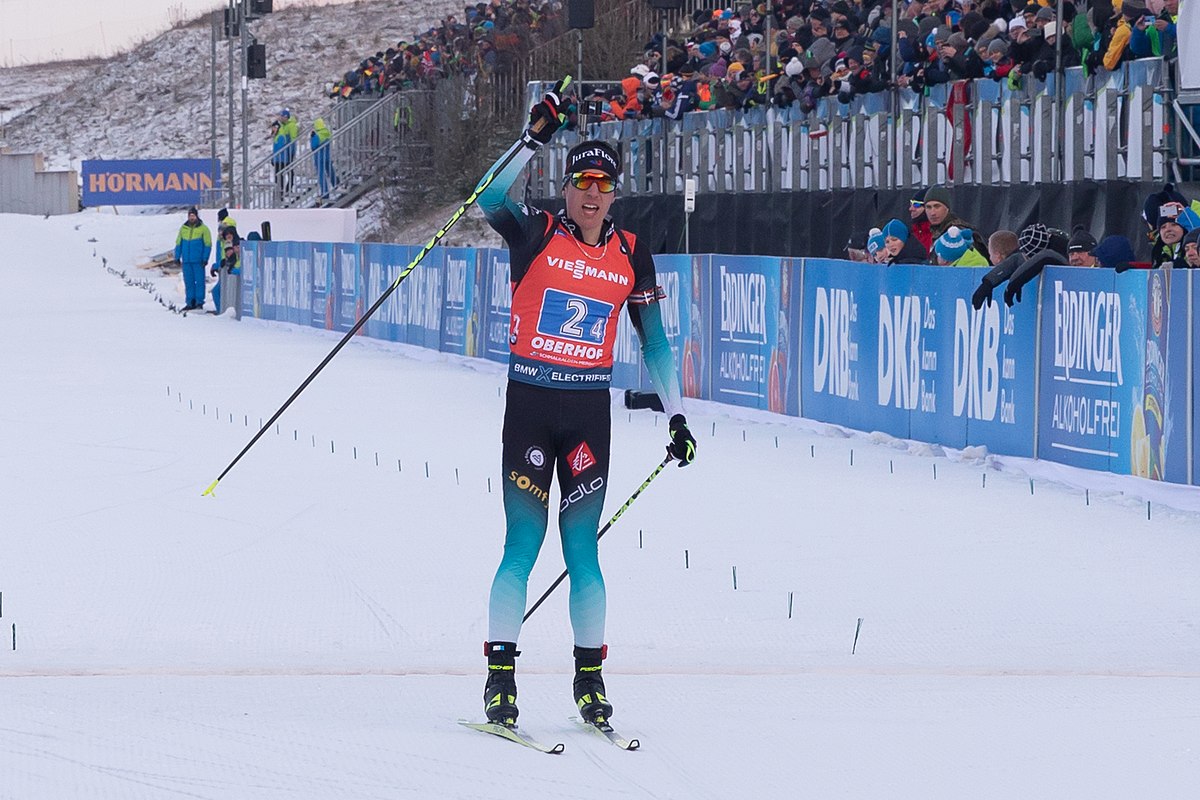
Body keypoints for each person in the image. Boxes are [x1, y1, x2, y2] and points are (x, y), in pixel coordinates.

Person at [475, 80, 697, 729]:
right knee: (522, 543)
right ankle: (499, 679)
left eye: (604, 184)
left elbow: (655, 340)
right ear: (567, 190)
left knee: (584, 555)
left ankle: (590, 681)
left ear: (615, 194)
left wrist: (678, 414)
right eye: (583, 183)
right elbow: (488, 197)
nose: (593, 194)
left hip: (587, 419)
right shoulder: (536, 233)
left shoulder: (632, 255)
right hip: (531, 409)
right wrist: (532, 138)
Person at [173, 206, 212, 311]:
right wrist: (177, 256)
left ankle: (199, 302)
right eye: (190, 216)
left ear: (196, 216)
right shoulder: (183, 228)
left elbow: (207, 244)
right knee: (188, 282)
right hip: (186, 260)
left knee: (199, 282)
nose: (191, 218)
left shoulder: (204, 229)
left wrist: (205, 258)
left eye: (193, 215)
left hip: (198, 260)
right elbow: (178, 243)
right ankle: (190, 301)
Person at [211, 226, 240, 314]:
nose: (228, 236)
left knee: (219, 291)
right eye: (226, 234)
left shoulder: (236, 244)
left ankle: (223, 311)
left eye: (230, 234)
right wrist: (217, 265)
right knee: (217, 291)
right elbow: (225, 259)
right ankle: (221, 310)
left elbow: (233, 259)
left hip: (233, 274)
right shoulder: (224, 243)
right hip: (226, 273)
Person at [310, 117, 337, 201]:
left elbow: (313, 146)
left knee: (321, 175)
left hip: (319, 157)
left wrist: (312, 138)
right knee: (330, 171)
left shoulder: (317, 135)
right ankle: (336, 184)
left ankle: (325, 192)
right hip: (327, 156)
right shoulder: (327, 132)